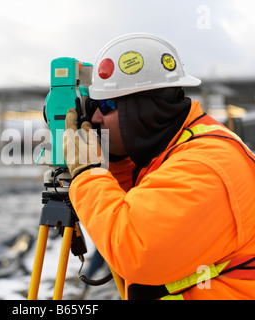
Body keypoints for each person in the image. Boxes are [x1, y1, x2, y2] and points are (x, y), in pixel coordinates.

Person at [63, 33, 255, 300]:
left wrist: (88, 173)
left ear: (143, 108)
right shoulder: (177, 148)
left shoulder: (205, 166)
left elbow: (133, 249)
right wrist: (115, 160)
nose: (95, 117)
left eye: (106, 105)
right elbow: (143, 202)